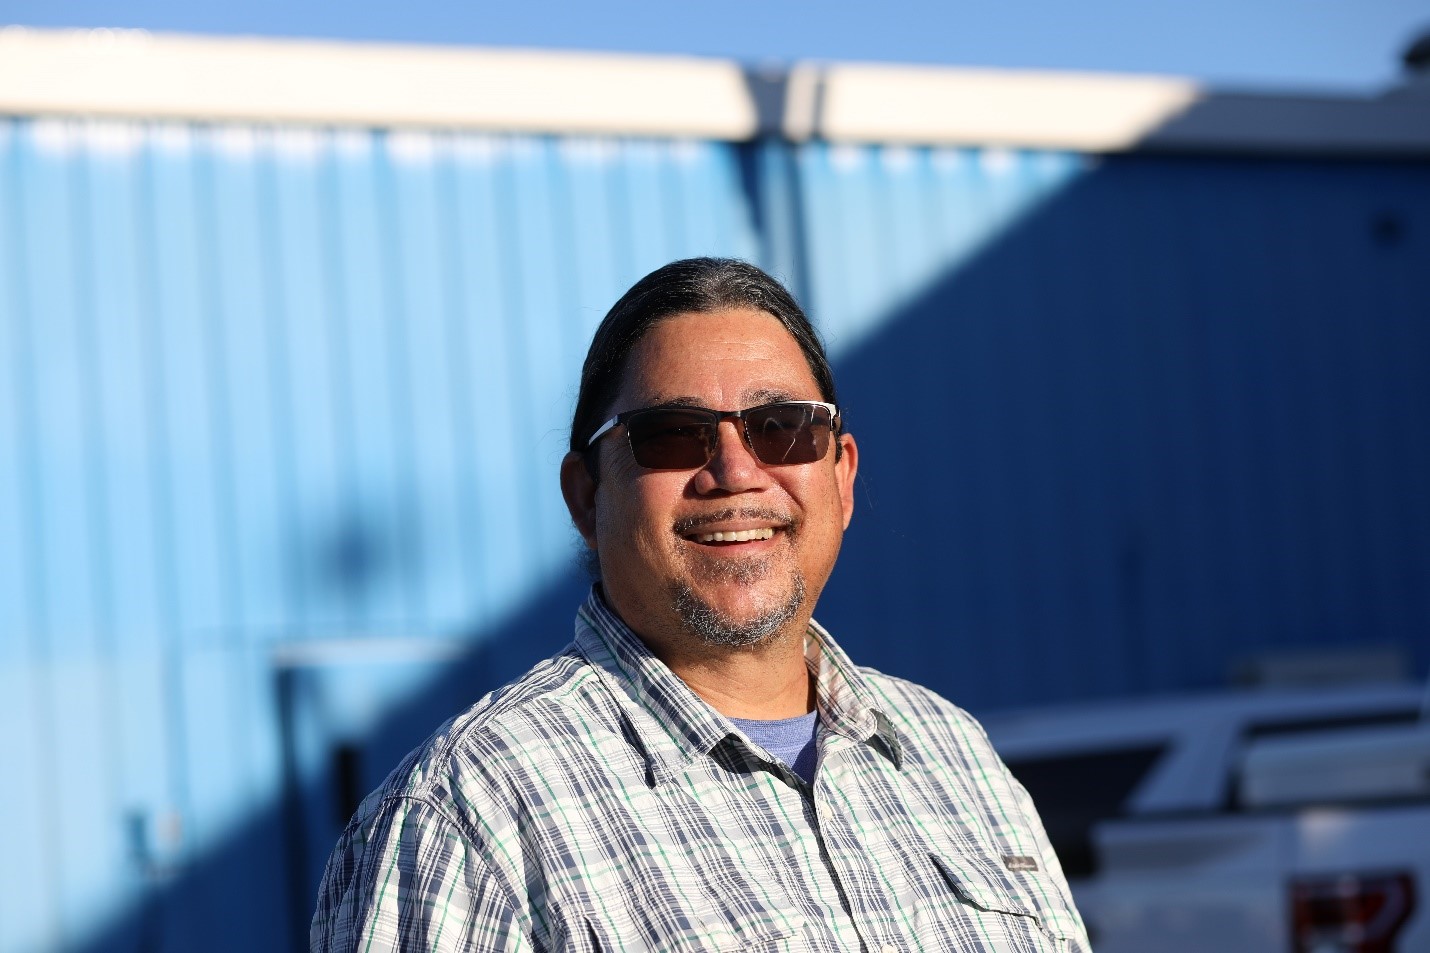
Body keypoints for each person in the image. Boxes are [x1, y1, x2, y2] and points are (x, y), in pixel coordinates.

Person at [311, 258, 1090, 952]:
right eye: (672, 434)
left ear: (843, 477)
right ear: (587, 496)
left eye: (783, 428)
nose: (735, 470)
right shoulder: (472, 817)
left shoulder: (958, 759)